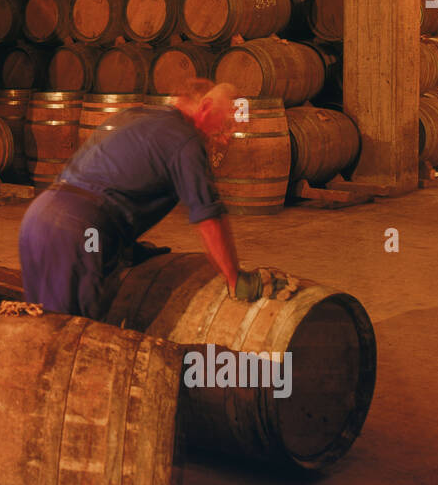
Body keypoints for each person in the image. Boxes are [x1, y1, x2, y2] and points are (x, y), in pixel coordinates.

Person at [18, 79, 288, 320]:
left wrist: (123, 245)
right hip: (78, 233)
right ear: (205, 108)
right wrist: (234, 278)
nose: (227, 137)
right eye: (225, 124)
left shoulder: (138, 115)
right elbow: (209, 218)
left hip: (40, 219)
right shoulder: (185, 141)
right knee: (70, 340)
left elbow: (111, 178)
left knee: (40, 324)